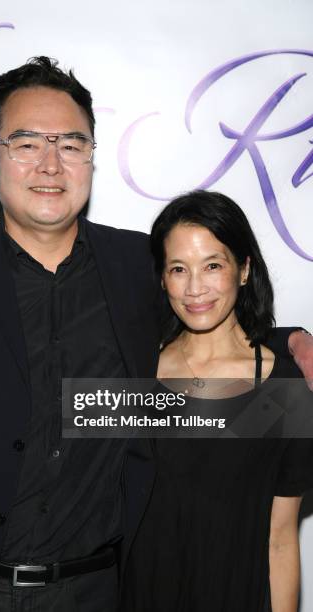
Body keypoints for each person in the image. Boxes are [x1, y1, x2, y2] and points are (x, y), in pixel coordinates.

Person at [0, 58, 311, 611]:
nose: (51, 164)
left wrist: (290, 341)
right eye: (26, 143)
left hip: (104, 591)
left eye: (71, 144)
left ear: (91, 156)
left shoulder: (133, 267)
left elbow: (203, 309)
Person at [121, 190, 313, 612]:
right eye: (178, 269)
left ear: (244, 269)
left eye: (212, 265)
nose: (194, 289)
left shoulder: (285, 387)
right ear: (161, 277)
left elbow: (280, 539)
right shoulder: (135, 372)